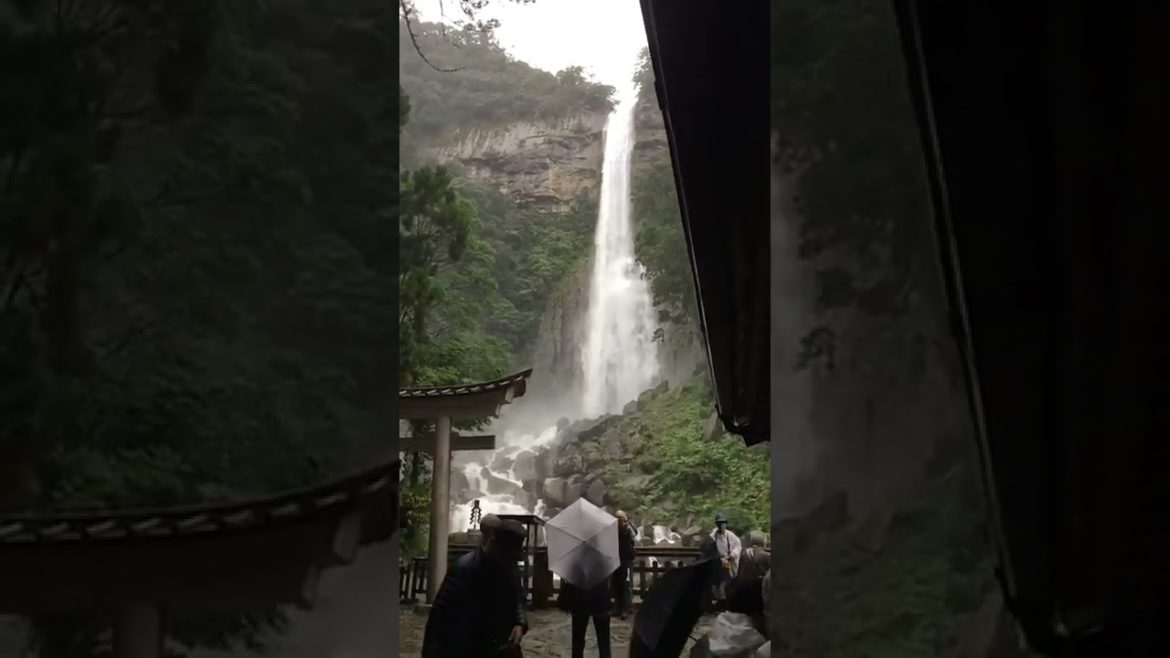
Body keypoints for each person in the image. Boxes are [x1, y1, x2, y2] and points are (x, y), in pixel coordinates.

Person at [422, 514, 529, 658]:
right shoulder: (465, 568)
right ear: (493, 543)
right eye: (506, 555)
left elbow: (518, 597)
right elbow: (440, 615)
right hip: (470, 646)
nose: (508, 560)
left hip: (502, 647)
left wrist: (520, 623)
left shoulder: (509, 565)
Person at [726, 531, 771, 631]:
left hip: (739, 592)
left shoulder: (743, 554)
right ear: (763, 543)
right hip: (757, 594)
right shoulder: (766, 556)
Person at [559, 578, 613, 658]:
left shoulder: (576, 565)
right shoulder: (603, 566)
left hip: (580, 599)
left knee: (578, 640)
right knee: (604, 640)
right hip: (600, 598)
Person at [710, 513, 742, 604]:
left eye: (723, 523)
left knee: (728, 583)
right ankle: (721, 602)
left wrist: (732, 555)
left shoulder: (731, 536)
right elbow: (709, 549)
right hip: (717, 563)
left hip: (729, 563)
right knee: (717, 584)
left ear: (725, 524)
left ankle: (726, 601)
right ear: (716, 525)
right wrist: (718, 558)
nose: (721, 526)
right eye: (719, 524)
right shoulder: (712, 537)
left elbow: (738, 546)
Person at [611, 510, 637, 618]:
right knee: (616, 584)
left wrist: (626, 524)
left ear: (624, 519)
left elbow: (634, 535)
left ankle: (626, 608)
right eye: (616, 518)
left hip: (626, 560)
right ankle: (617, 607)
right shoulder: (613, 530)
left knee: (626, 584)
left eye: (620, 518)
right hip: (616, 559)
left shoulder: (628, 529)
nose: (618, 521)